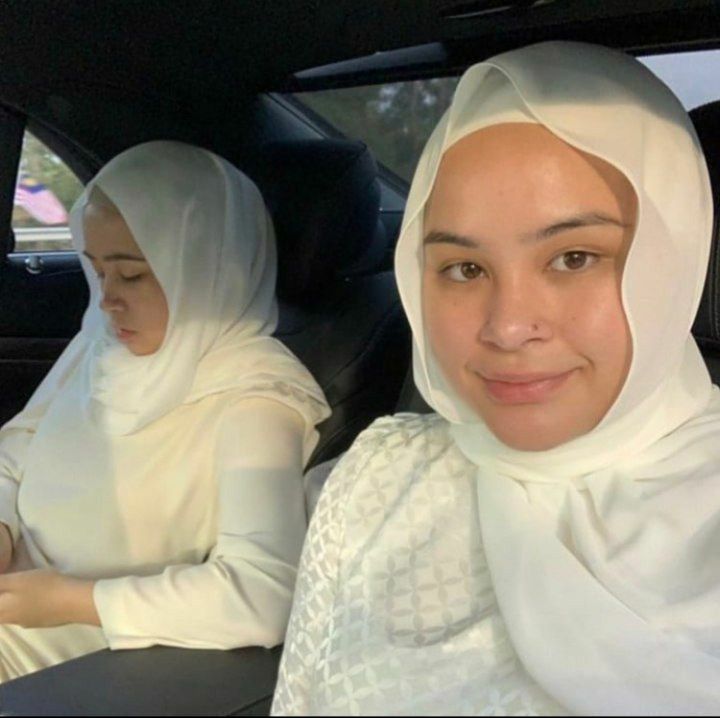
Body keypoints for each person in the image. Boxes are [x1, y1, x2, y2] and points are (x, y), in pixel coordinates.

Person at [272, 41, 720, 715]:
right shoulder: (379, 479)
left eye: (574, 257)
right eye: (464, 269)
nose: (508, 328)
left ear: (674, 259)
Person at [0, 141, 329, 681]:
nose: (106, 299)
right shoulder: (104, 343)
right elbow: (19, 446)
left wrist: (70, 601)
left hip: (64, 664)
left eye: (131, 275)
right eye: (97, 270)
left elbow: (262, 595)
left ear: (204, 267)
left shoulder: (258, 399)